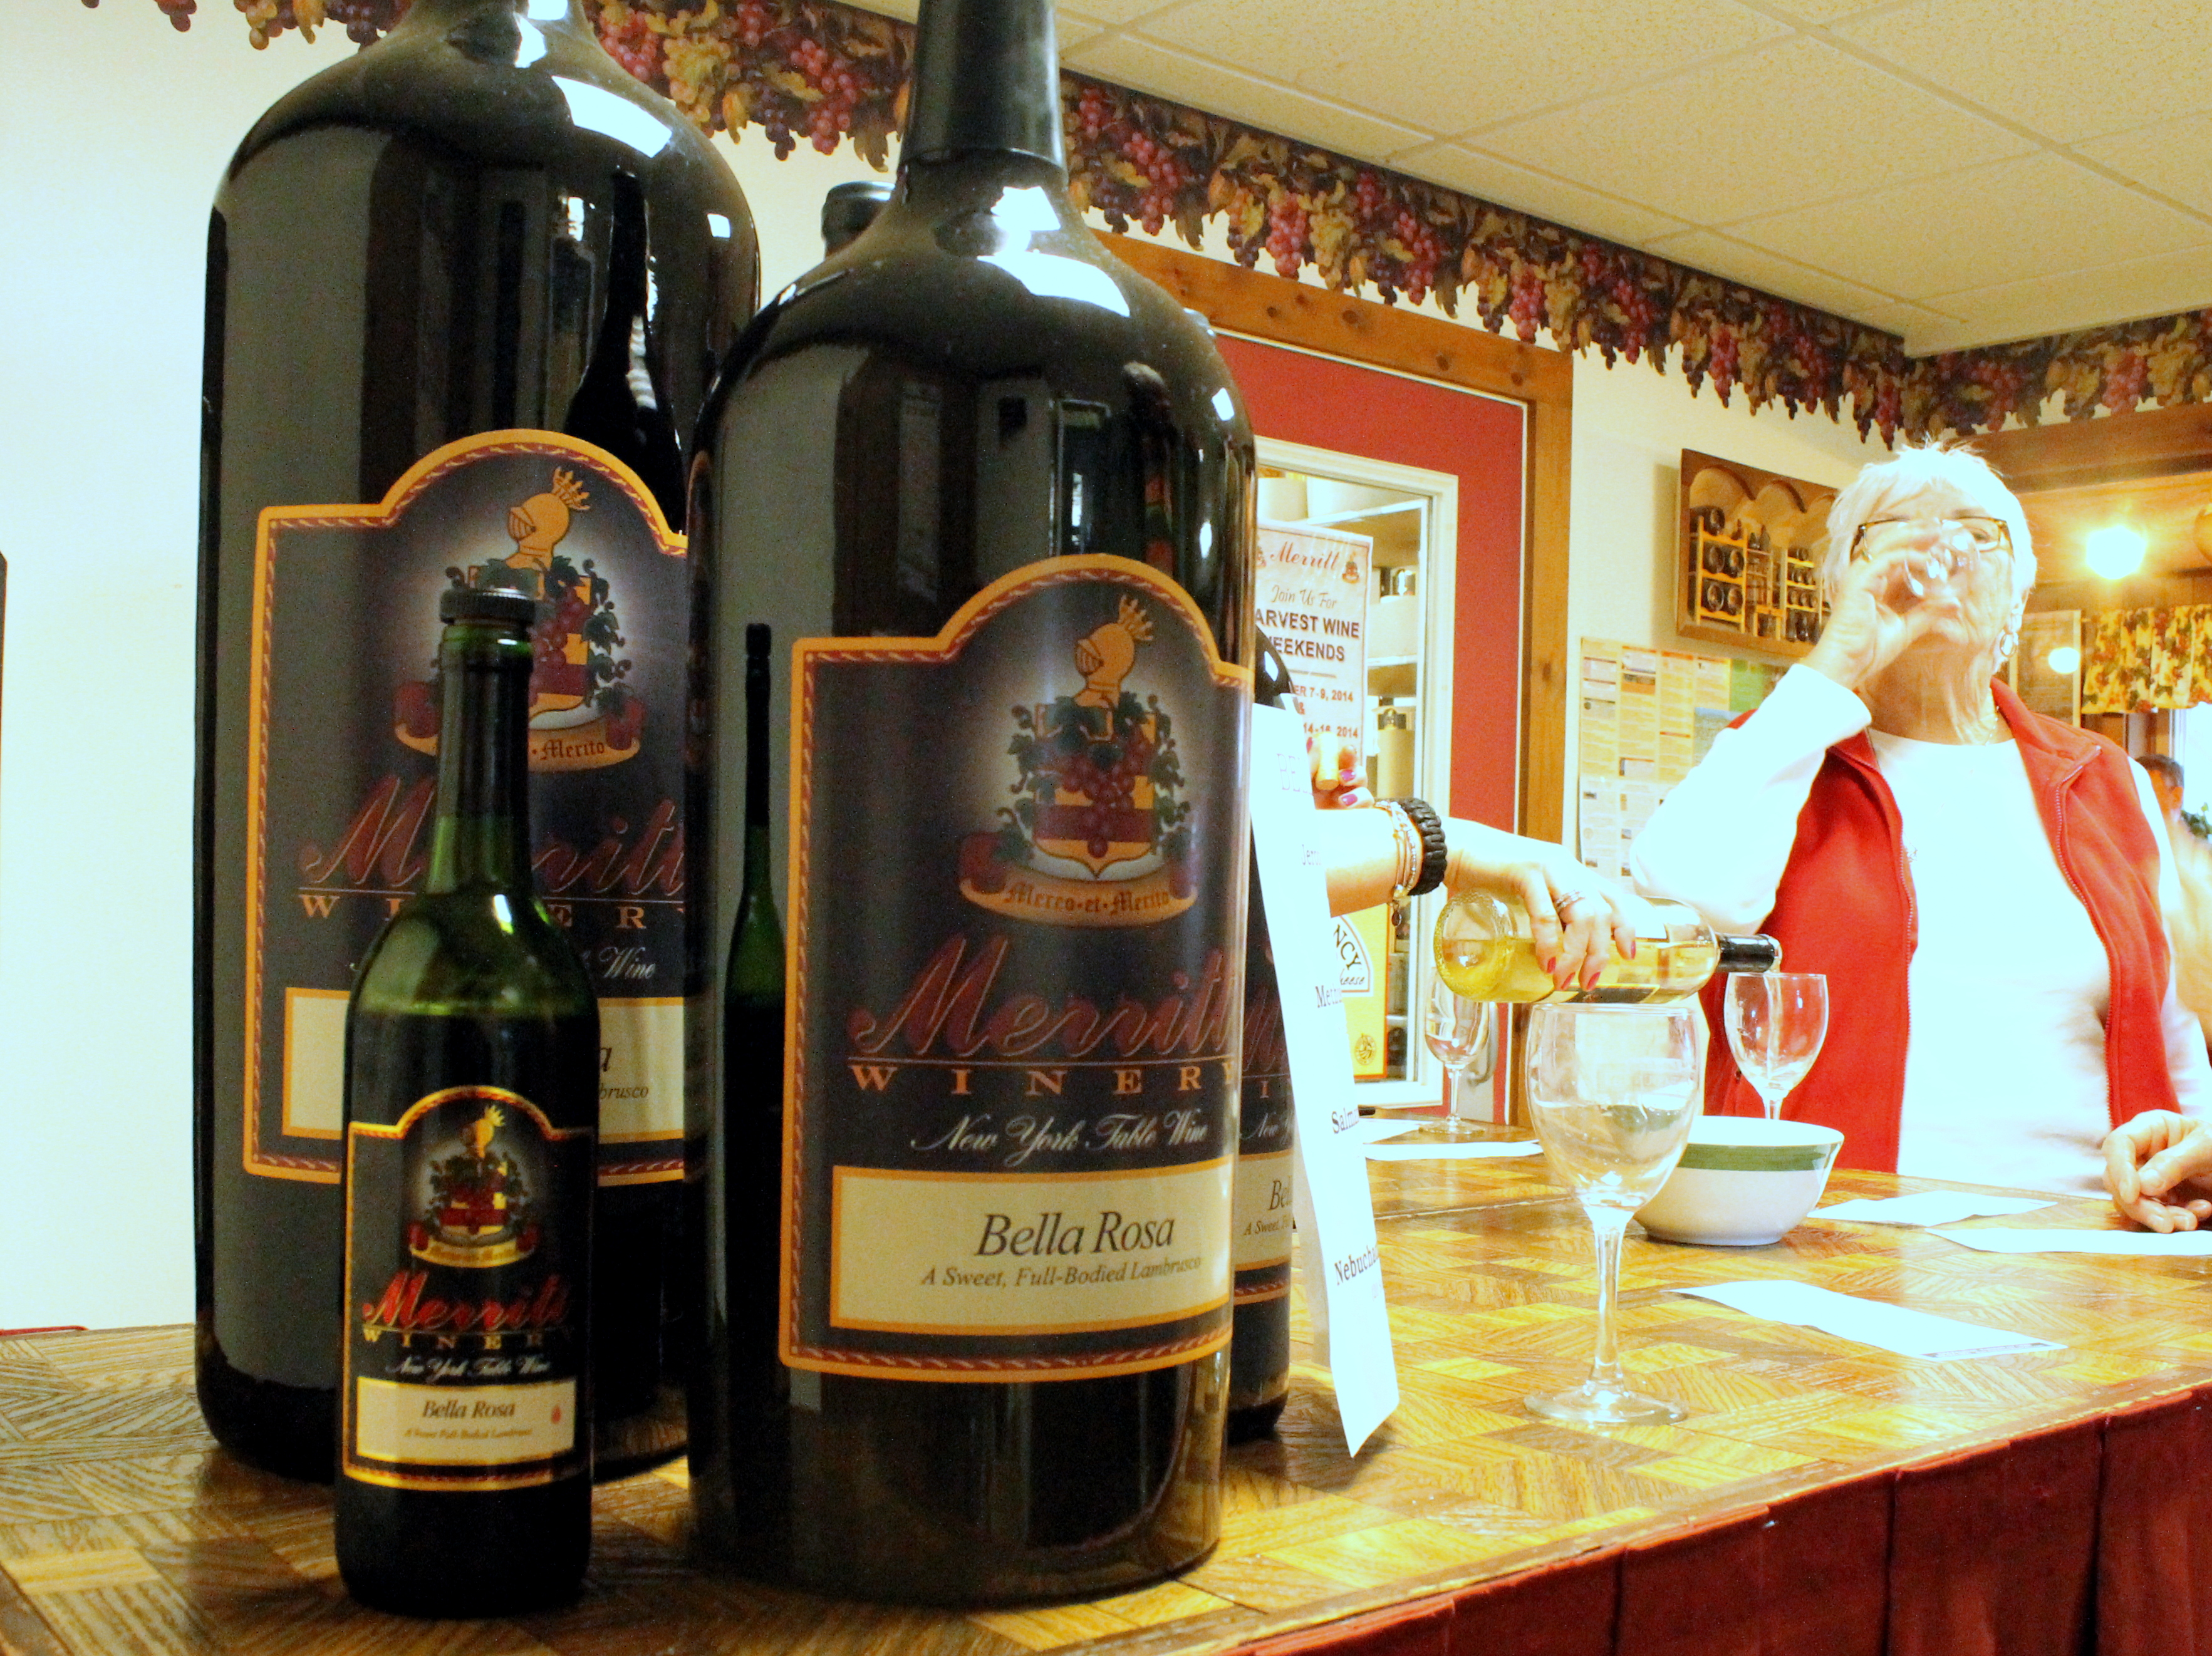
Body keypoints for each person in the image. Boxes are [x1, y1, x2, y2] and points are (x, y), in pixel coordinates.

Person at [1630, 443, 2210, 1201]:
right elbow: (1680, 894)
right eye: (1893, 533)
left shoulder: (2107, 778)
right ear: (1839, 587)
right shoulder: (1785, 750)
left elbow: (2169, 1029)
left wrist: (2194, 1169)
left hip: (2084, 1230)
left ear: (2017, 597)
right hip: (1836, 1232)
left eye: (1977, 533)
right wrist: (1839, 660)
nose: (1939, 555)